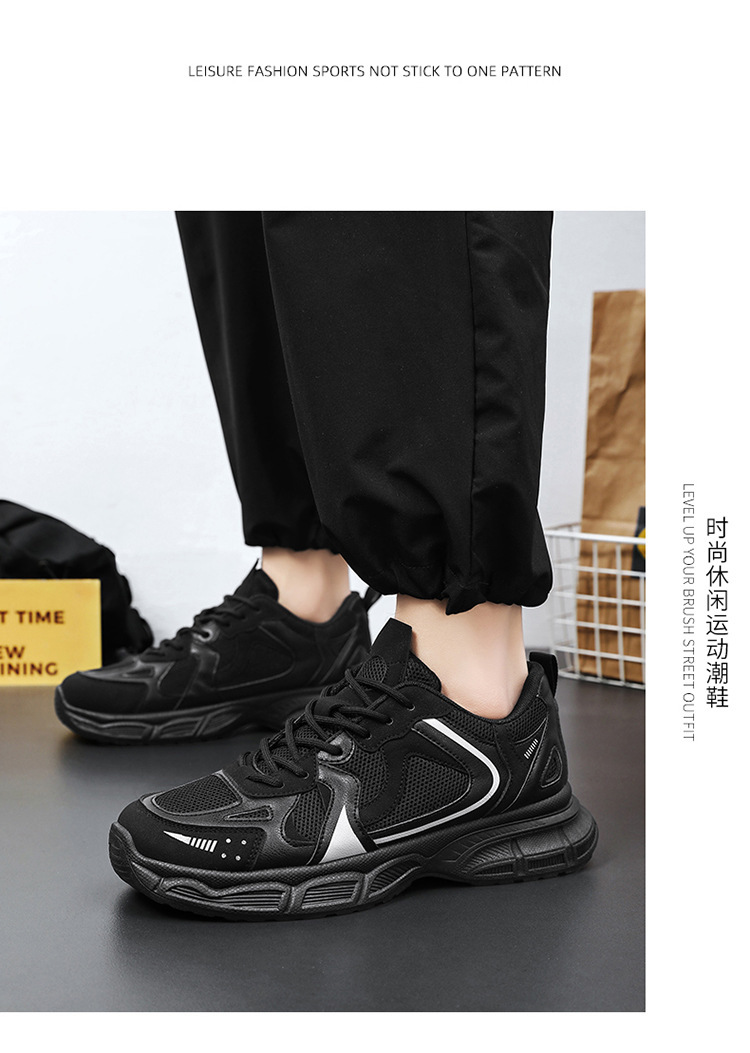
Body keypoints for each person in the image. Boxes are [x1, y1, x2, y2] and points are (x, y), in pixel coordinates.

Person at [59, 212, 597, 918]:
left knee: (386, 208)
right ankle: (301, 590)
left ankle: (470, 688)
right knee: (261, 218)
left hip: (465, 655)